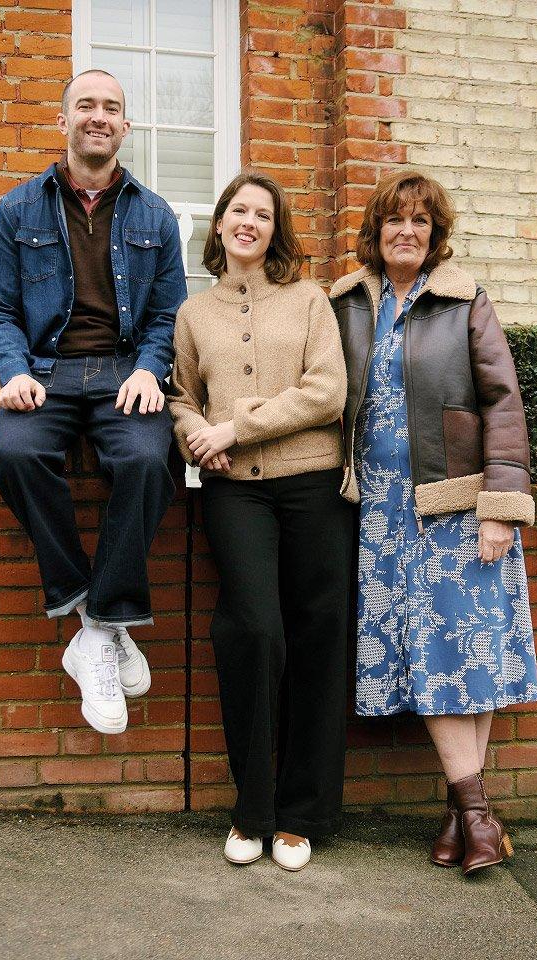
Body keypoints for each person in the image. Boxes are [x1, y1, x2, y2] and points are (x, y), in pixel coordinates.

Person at [330, 169, 537, 876]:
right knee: (443, 661)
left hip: (454, 511)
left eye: (420, 221)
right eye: (395, 220)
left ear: (435, 233)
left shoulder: (463, 302)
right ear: (376, 230)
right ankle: (469, 818)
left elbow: (503, 405)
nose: (407, 232)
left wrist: (499, 510)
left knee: (461, 662)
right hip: (381, 516)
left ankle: (472, 817)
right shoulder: (348, 304)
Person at [0, 70, 187, 736]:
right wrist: (11, 371)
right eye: (87, 106)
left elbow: (167, 314)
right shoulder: (17, 209)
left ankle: (94, 627)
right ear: (62, 119)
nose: (100, 117)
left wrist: (154, 370)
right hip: (47, 373)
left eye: (113, 108)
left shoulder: (154, 214)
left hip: (125, 375)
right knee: (15, 451)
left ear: (127, 127)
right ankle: (97, 616)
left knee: (152, 461)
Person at [168, 172, 353, 871]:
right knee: (252, 630)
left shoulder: (309, 300)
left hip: (312, 485)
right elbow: (182, 396)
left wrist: (234, 426)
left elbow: (326, 391)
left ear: (277, 231)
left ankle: (302, 815)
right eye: (238, 211)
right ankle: (253, 809)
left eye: (263, 214)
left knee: (315, 636)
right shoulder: (194, 313)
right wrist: (196, 431)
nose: (249, 222)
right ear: (218, 225)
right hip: (234, 493)